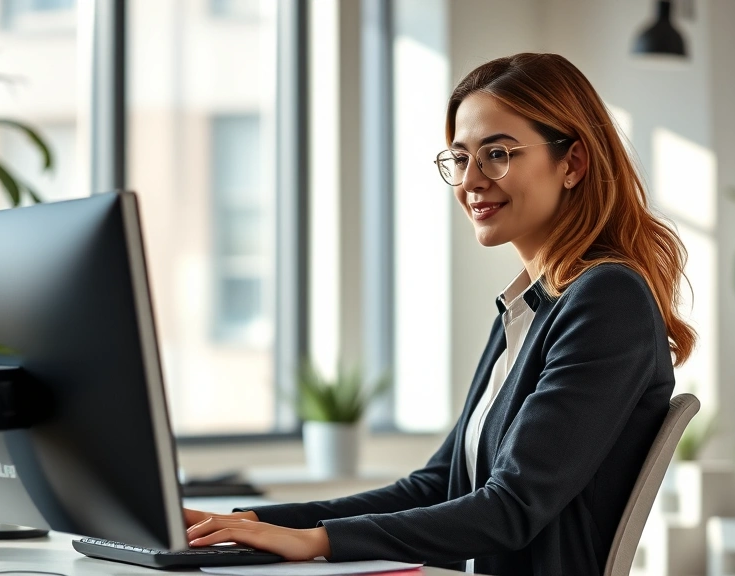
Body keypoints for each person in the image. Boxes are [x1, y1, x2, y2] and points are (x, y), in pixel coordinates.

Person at [183, 52, 696, 575]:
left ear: (573, 163)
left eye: (497, 154)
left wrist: (318, 542)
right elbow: (436, 484)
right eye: (459, 158)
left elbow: (510, 509)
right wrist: (249, 523)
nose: (470, 180)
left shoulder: (608, 300)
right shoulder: (530, 308)